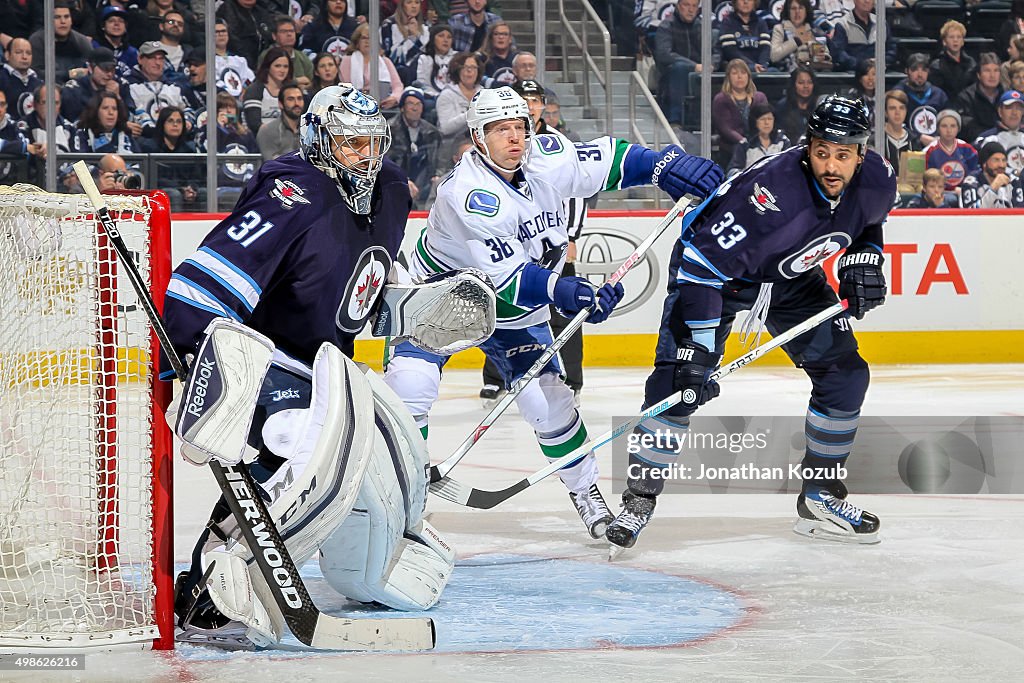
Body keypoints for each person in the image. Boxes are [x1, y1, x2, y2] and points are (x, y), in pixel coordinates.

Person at [166, 84, 455, 649]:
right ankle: (211, 589)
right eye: (350, 145)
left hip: (328, 368)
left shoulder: (393, 189)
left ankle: (365, 567)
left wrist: (406, 307)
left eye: (373, 143)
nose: (365, 157)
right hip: (263, 357)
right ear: (319, 143)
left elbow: (358, 286)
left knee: (375, 464)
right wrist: (193, 365)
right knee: (294, 450)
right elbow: (202, 285)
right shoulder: (293, 194)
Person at [384, 85, 724, 542]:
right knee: (410, 387)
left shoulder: (547, 156)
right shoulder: (466, 195)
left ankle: (587, 495)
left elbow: (611, 160)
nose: (515, 138)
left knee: (552, 404)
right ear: (478, 138)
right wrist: (570, 292)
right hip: (442, 298)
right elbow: (508, 281)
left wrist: (665, 164)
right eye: (500, 129)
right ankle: (405, 502)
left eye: (520, 126)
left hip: (516, 309)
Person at [607, 96, 895, 551]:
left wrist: (864, 258)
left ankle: (820, 496)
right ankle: (639, 499)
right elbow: (702, 264)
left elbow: (867, 222)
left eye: (844, 154)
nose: (832, 166)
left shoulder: (879, 179)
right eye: (822, 152)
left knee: (846, 375)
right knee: (675, 386)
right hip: (716, 278)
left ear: (862, 153)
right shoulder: (771, 197)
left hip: (791, 278)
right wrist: (698, 350)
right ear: (807, 148)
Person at [480, 79, 592, 407]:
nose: (530, 104)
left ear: (544, 104)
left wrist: (571, 234)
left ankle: (571, 378)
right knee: (502, 306)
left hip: (552, 238)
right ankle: (496, 378)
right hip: (512, 242)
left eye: (535, 99)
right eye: (523, 99)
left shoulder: (558, 143)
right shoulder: (497, 139)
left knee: (563, 309)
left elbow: (577, 188)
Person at [387, 86, 441, 207]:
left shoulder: (432, 132)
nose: (414, 108)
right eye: (410, 103)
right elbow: (386, 163)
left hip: (424, 183)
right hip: (396, 180)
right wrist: (403, 179)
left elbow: (438, 160)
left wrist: (437, 175)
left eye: (418, 104)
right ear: (402, 108)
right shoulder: (389, 129)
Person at [654, 0, 702, 130]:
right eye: (686, 5)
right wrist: (693, 66)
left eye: (694, 6)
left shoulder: (701, 27)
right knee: (680, 68)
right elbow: (664, 55)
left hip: (700, 73)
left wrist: (712, 64)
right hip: (670, 77)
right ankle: (675, 119)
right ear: (678, 6)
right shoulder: (666, 26)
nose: (690, 10)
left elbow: (715, 51)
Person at [713, 59, 768, 168]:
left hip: (757, 146)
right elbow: (725, 128)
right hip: (730, 149)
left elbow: (766, 119)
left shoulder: (759, 98)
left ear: (748, 76)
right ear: (728, 77)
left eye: (743, 73)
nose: (739, 77)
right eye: (735, 73)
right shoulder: (721, 99)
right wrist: (742, 142)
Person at [339, 24, 403, 110]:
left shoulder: (385, 62)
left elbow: (398, 86)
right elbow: (343, 87)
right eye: (364, 38)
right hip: (355, 106)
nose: (367, 41)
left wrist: (394, 98)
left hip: (382, 105)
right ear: (357, 42)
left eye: (371, 38)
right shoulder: (347, 61)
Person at [436, 51, 483, 158]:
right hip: (451, 149)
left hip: (481, 145)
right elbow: (445, 128)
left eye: (473, 67)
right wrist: (471, 114)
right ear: (457, 70)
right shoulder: (447, 95)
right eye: (465, 67)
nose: (469, 71)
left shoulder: (484, 94)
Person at [895, 53, 949, 146]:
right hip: (905, 145)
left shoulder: (939, 95)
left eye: (924, 70)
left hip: (936, 145)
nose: (920, 74)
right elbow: (893, 125)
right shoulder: (898, 95)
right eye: (914, 69)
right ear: (907, 71)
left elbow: (948, 121)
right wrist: (918, 137)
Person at [727, 102, 792, 176]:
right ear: (755, 121)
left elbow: (789, 167)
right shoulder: (746, 144)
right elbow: (731, 171)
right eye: (762, 119)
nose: (767, 122)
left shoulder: (783, 142)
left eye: (770, 119)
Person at [829, 0, 895, 72]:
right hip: (853, 72)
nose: (867, 1)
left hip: (879, 71)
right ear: (855, 1)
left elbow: (891, 49)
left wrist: (881, 61)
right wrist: (862, 65)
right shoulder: (843, 24)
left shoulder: (881, 23)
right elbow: (839, 54)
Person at [923, 109, 979, 191]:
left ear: (958, 128)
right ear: (938, 128)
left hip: (963, 193)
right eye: (944, 126)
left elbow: (975, 174)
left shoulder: (968, 149)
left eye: (953, 126)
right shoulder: (929, 151)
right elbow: (925, 179)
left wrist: (965, 189)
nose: (949, 130)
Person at [955, 53, 1005, 143]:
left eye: (996, 70)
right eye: (987, 71)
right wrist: (991, 137)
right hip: (977, 143)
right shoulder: (966, 97)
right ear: (979, 75)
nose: (992, 75)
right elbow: (968, 127)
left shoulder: (1006, 95)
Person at [770, 0, 831, 72]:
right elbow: (774, 56)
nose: (797, 12)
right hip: (789, 72)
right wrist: (797, 41)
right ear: (788, 11)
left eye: (801, 8)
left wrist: (824, 57)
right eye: (793, 8)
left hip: (813, 71)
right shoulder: (779, 28)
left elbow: (826, 53)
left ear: (806, 11)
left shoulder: (814, 30)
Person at [973, 90, 1024, 176]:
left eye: (1018, 108)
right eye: (1009, 107)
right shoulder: (986, 139)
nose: (1014, 113)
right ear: (1000, 111)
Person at [243, 47, 294, 134]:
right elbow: (254, 124)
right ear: (268, 67)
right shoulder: (255, 90)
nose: (282, 70)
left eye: (285, 66)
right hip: (260, 137)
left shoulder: (291, 90)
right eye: (277, 66)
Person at [258, 15, 315, 93]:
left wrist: (305, 87)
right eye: (284, 31)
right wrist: (296, 81)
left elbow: (311, 82)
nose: (289, 34)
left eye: (291, 31)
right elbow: (265, 80)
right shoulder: (267, 56)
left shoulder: (302, 57)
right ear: (274, 36)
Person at [69, 92, 139, 154]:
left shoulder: (125, 133)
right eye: (105, 108)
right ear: (95, 111)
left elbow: (139, 163)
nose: (111, 113)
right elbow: (76, 163)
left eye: (114, 109)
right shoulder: (82, 132)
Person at [380, 0, 430, 86]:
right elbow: (393, 58)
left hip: (420, 73)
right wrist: (412, 38)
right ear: (402, 5)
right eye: (409, 2)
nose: (414, 6)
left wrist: (416, 35)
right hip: (396, 73)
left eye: (417, 2)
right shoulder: (389, 25)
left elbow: (426, 55)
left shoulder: (424, 28)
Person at [961, 140, 1024, 208]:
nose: (1001, 165)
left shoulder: (1013, 180)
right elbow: (971, 213)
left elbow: (1019, 210)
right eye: (996, 160)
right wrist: (993, 188)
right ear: (984, 164)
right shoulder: (971, 182)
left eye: (1004, 160)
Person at [255, 81, 305, 161]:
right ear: (280, 104)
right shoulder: (267, 131)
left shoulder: (310, 130)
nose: (296, 103)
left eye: (299, 98)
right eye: (290, 99)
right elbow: (273, 164)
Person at [719, 0, 771, 73]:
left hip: (759, 68)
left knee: (775, 72)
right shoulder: (728, 22)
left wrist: (762, 66)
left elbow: (765, 48)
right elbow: (730, 51)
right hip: (737, 68)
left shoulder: (761, 23)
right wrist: (751, 66)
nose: (746, 2)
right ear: (735, 2)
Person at [880, 88, 922, 177]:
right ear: (886, 112)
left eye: (901, 108)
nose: (897, 113)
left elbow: (917, 175)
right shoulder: (877, 140)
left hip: (909, 189)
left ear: (906, 111)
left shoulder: (913, 140)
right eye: (892, 108)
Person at [929, 20, 977, 97]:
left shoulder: (971, 63)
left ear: (962, 42)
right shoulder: (936, 66)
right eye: (951, 37)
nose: (955, 40)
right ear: (944, 42)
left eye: (959, 37)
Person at [775, 66, 818, 144]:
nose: (806, 86)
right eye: (801, 82)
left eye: (810, 82)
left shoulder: (819, 106)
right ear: (793, 85)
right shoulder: (783, 106)